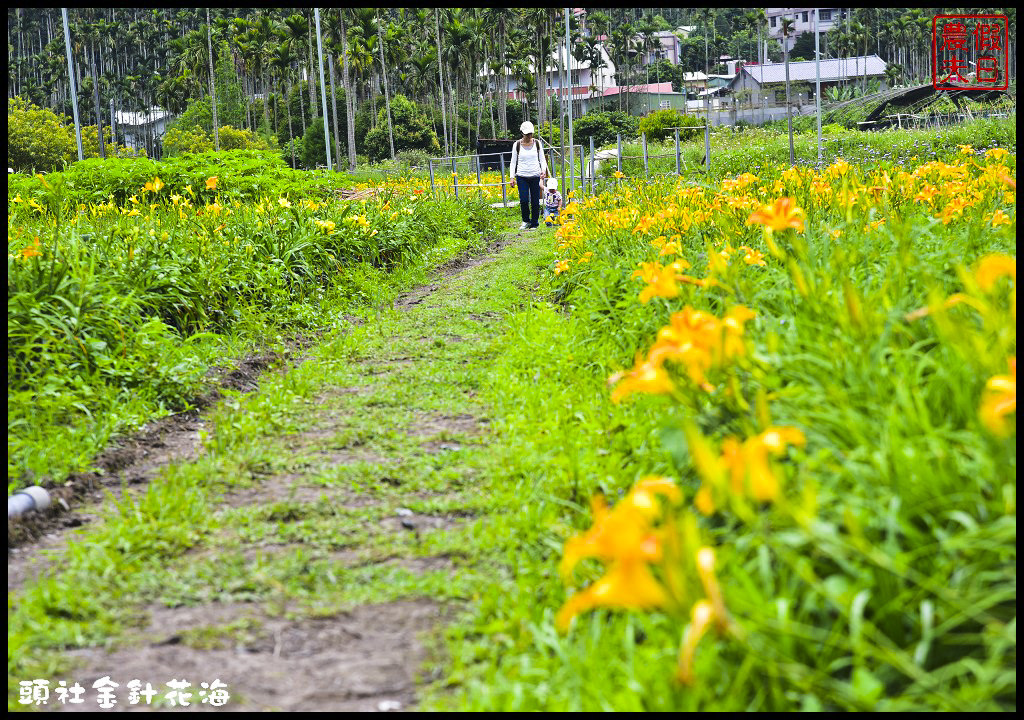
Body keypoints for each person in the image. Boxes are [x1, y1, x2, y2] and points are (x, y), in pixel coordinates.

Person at [509, 120, 548, 230]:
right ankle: (525, 221)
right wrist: (512, 177)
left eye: (530, 134)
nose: (529, 136)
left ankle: (534, 223)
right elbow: (513, 162)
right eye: (527, 134)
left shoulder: (537, 143)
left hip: (535, 175)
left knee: (535, 201)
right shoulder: (516, 145)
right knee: (524, 200)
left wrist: (543, 170)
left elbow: (542, 159)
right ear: (522, 133)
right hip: (521, 176)